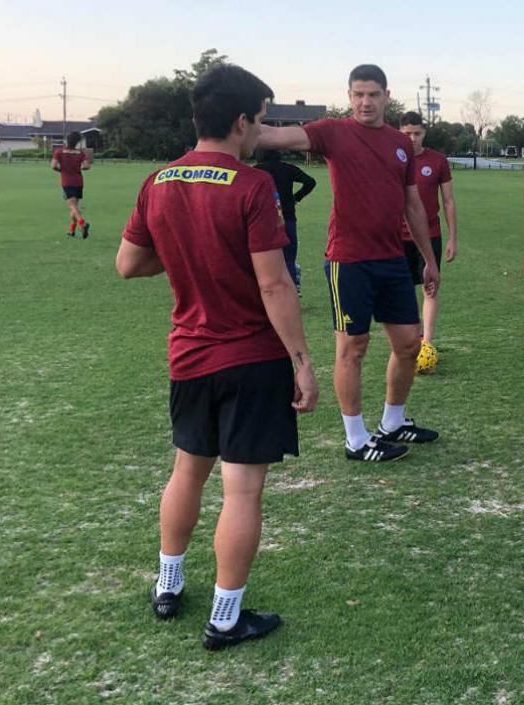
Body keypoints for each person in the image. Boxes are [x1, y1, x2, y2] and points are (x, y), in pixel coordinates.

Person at [115, 64, 320, 651]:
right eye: (259, 121)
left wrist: (188, 254)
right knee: (242, 492)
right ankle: (226, 618)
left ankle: (168, 583)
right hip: (251, 358)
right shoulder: (252, 187)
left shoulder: (158, 181)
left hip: (189, 356)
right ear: (239, 121)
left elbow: (129, 263)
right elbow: (275, 286)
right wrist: (302, 361)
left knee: (187, 471)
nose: (261, 133)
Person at [255, 64, 440, 462]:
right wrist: (237, 117)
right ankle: (356, 439)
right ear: (350, 96)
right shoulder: (333, 132)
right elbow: (274, 135)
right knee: (353, 347)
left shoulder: (399, 143)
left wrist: (428, 259)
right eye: (358, 94)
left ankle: (393, 422)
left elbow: (412, 203)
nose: (365, 101)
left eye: (373, 94)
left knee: (409, 344)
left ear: (387, 96)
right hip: (349, 259)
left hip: (392, 257)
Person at [397, 111, 458, 345]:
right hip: (396, 236)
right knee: (402, 290)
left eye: (417, 133)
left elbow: (449, 201)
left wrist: (453, 238)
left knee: (430, 288)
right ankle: (412, 337)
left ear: (425, 133)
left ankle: (427, 343)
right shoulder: (392, 158)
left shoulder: (438, 160)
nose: (412, 138)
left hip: (429, 235)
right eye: (407, 134)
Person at [254, 149, 317, 293]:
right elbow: (310, 182)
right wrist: (296, 197)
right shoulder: (288, 168)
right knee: (289, 258)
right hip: (288, 217)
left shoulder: (257, 171)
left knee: (265, 258)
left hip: (265, 220)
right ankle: (293, 288)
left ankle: (267, 290)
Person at [52, 131, 92, 238]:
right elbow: (87, 166)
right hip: (79, 182)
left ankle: (82, 223)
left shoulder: (59, 152)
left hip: (67, 182)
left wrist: (62, 170)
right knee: (75, 207)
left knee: (73, 206)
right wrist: (79, 168)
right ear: (77, 142)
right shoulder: (81, 153)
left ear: (66, 140)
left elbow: (53, 166)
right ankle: (72, 230)